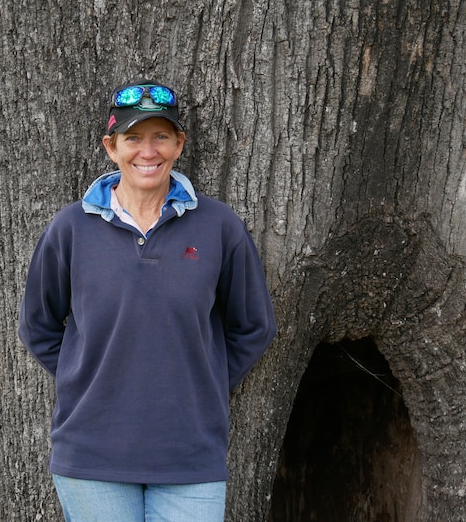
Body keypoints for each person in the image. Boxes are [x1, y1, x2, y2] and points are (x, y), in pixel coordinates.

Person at [18, 78, 277, 521]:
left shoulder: (218, 227)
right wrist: (92, 378)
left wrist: (202, 378)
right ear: (111, 147)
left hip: (190, 454)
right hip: (92, 454)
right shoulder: (71, 229)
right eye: (133, 138)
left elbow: (254, 326)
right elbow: (38, 326)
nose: (147, 151)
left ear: (179, 144)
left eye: (160, 136)